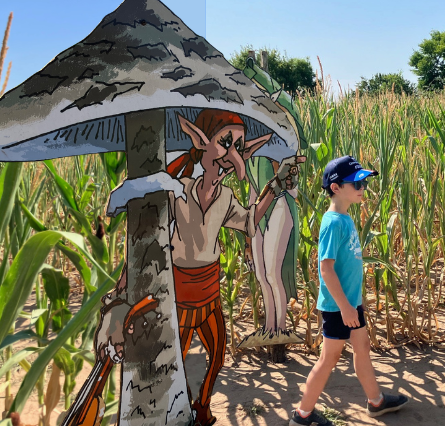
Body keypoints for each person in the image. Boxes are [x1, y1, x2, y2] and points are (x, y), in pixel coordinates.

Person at [96, 109, 304, 426]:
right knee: (170, 361)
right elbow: (147, 235)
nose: (233, 157)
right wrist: (122, 288)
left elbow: (249, 223)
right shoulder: (178, 191)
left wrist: (274, 187)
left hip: (209, 292)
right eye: (225, 143)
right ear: (199, 140)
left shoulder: (225, 197)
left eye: (239, 147)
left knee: (217, 357)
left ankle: (202, 407)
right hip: (181, 294)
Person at [289, 156, 408, 426]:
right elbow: (326, 269)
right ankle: (302, 415)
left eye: (363, 182)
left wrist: (352, 303)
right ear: (335, 187)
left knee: (362, 348)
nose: (362, 187)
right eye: (355, 183)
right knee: (328, 359)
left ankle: (376, 402)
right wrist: (344, 307)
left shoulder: (344, 218)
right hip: (337, 307)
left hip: (350, 304)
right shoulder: (332, 223)